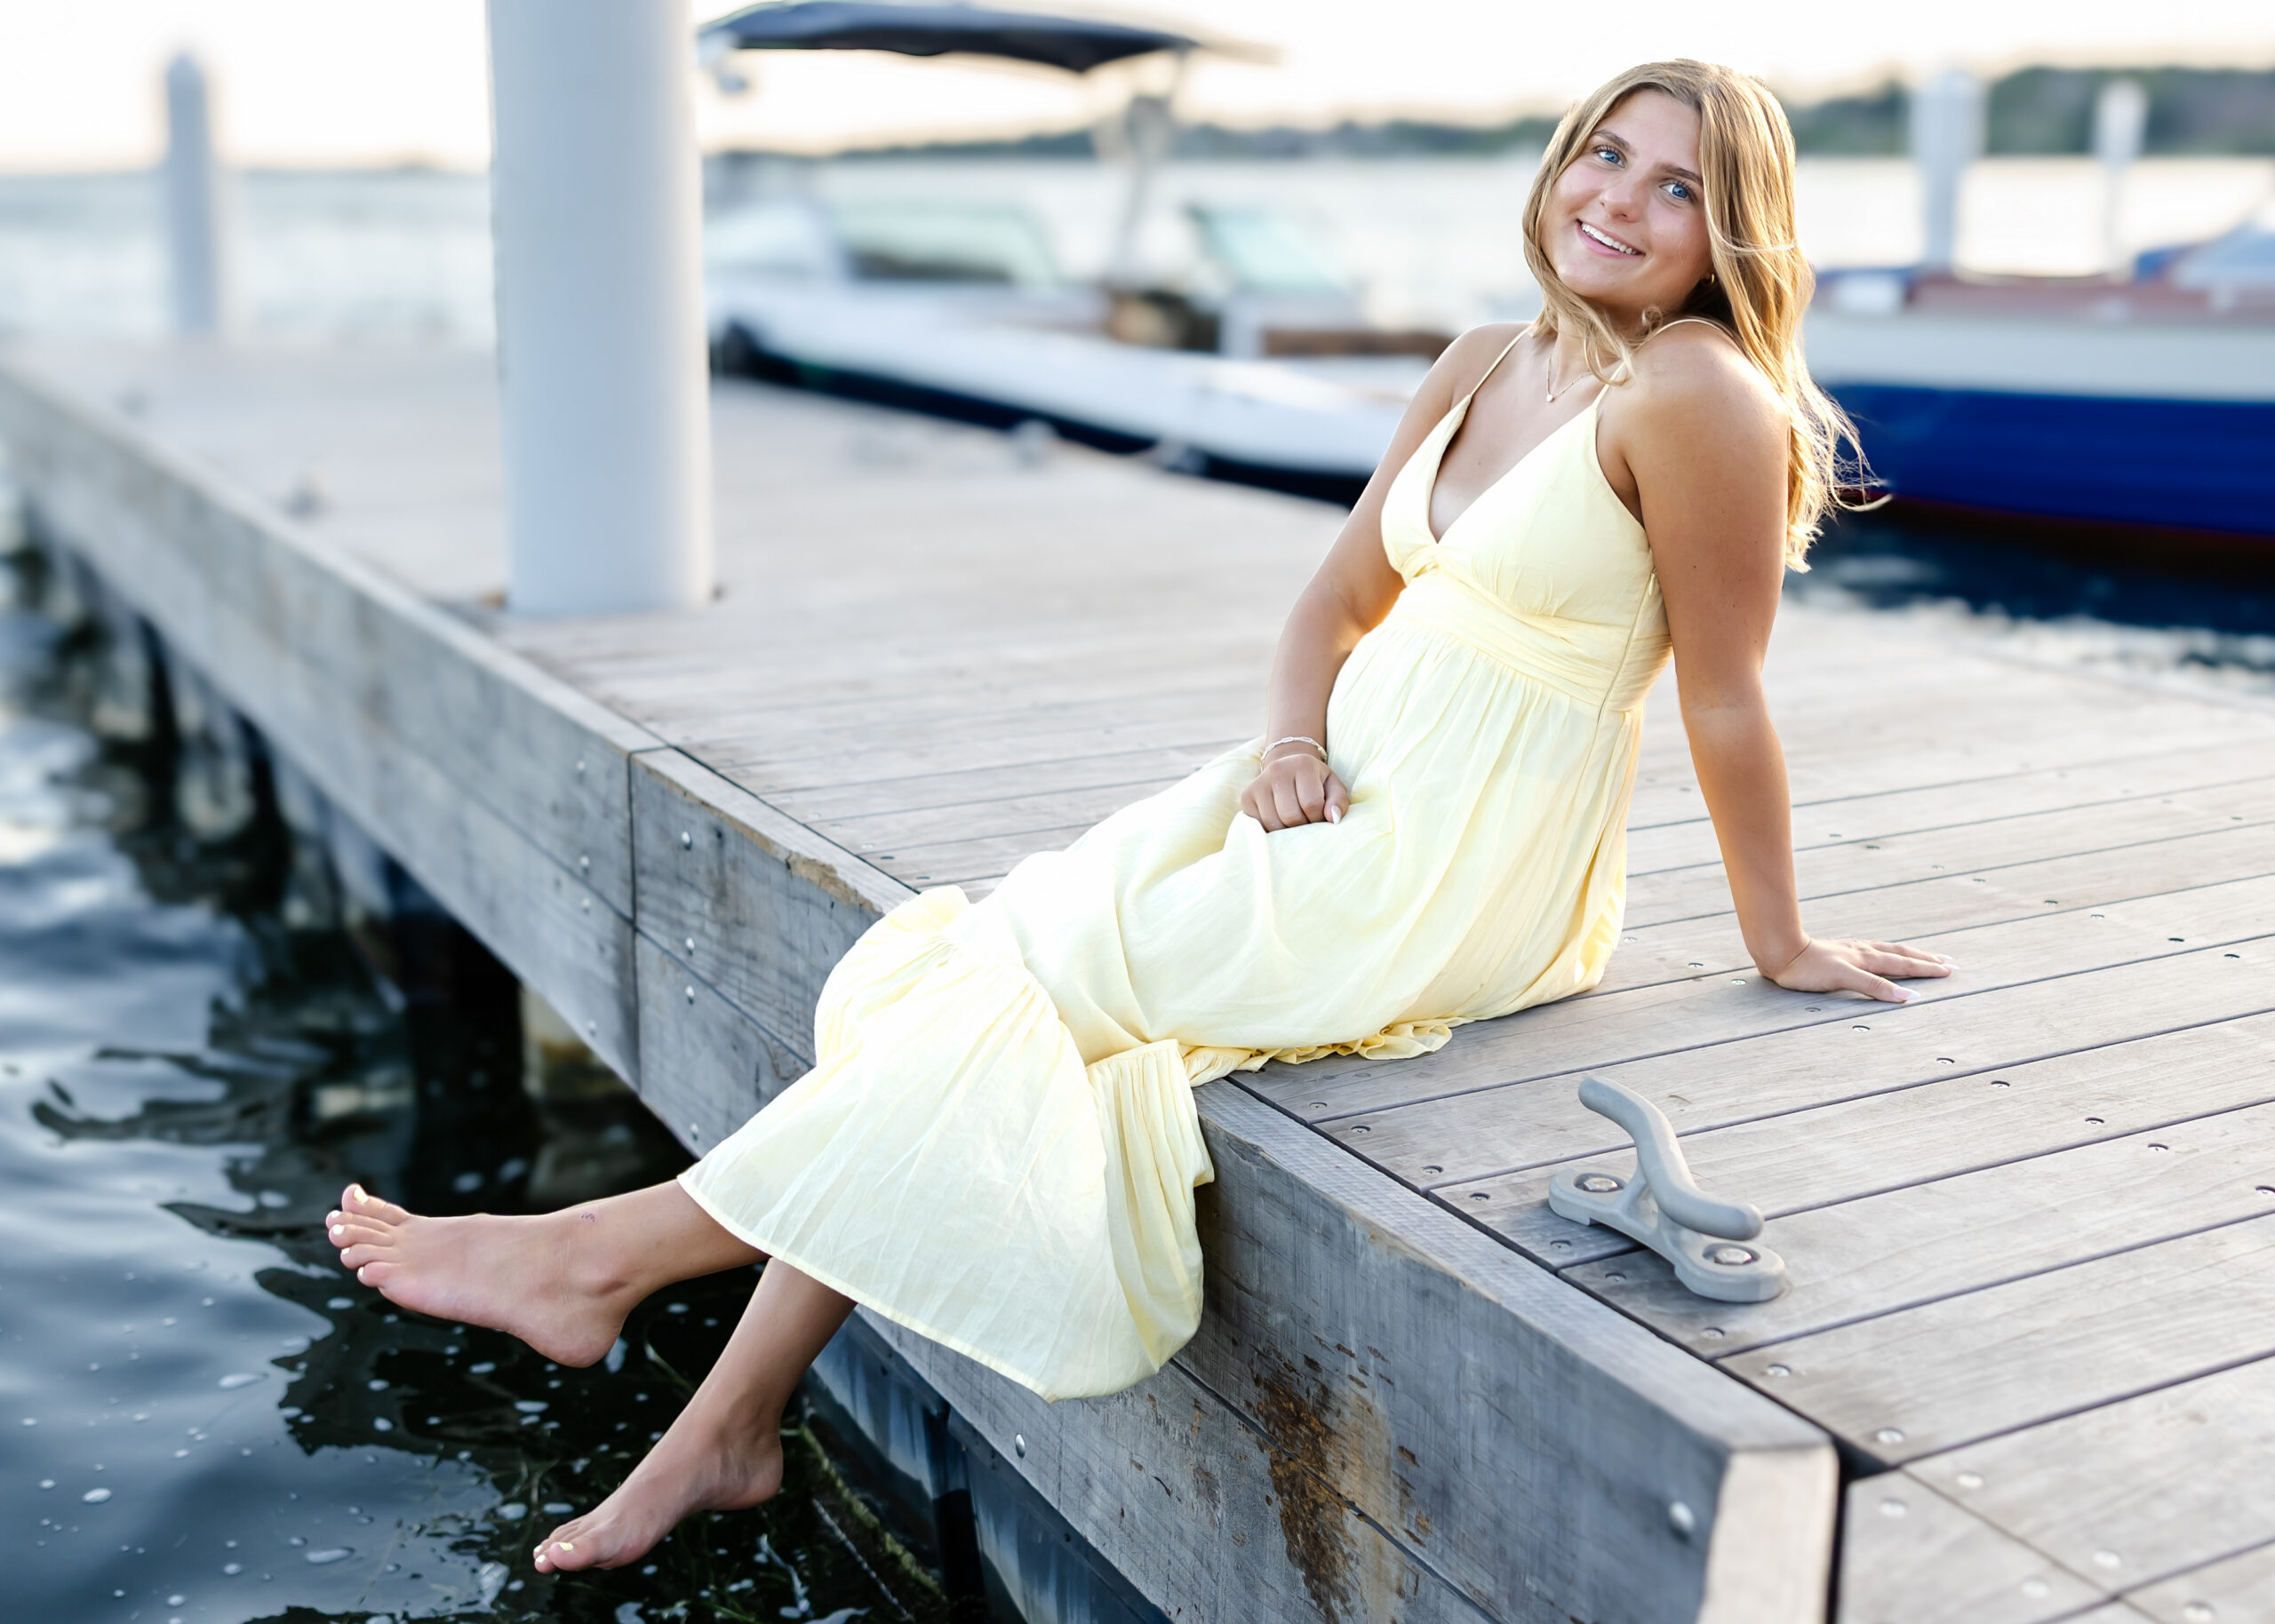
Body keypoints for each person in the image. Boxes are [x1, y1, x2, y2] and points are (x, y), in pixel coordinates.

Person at [324, 59, 1951, 1575]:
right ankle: (726, 1424)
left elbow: (1724, 693)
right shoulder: (1484, 361)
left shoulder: (1699, 399)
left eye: (1677, 186)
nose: (1620, 196)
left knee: (1047, 997)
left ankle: (608, 1260)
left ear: (1730, 233)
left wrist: (1781, 940)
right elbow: (1333, 599)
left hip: (1464, 862)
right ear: (1555, 165)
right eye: (1606, 151)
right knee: (996, 972)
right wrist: (1288, 747)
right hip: (1327, 795)